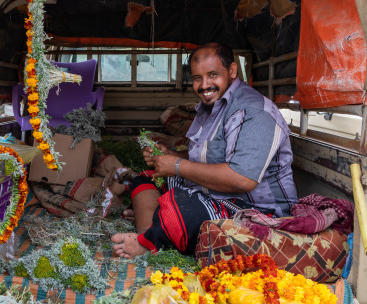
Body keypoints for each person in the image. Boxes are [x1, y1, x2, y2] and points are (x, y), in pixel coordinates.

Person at [112, 43, 298, 258]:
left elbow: (242, 179)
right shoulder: (210, 105)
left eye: (212, 75)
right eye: (197, 78)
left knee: (182, 208)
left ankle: (150, 240)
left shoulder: (254, 111)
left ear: (232, 71)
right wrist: (170, 156)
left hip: (256, 210)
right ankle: (146, 235)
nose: (204, 85)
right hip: (217, 193)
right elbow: (205, 157)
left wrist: (177, 166)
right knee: (147, 179)